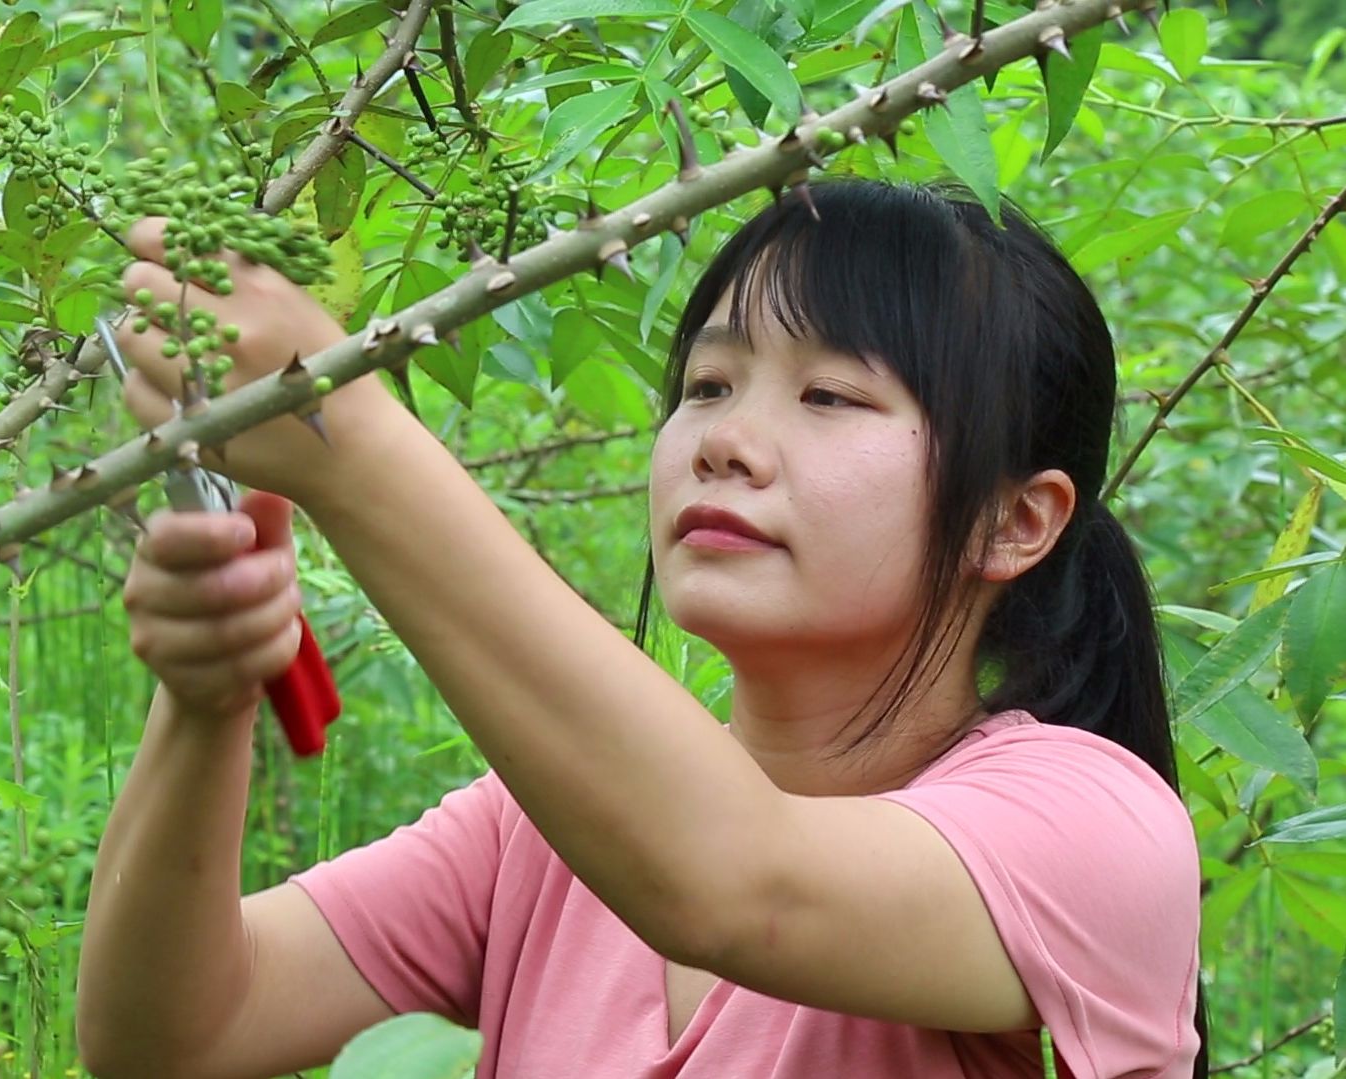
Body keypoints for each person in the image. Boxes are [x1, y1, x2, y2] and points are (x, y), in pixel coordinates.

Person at [75, 179, 1208, 1078]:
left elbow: (734, 884)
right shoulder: (542, 832)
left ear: (1013, 521)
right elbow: (171, 1034)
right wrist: (208, 696)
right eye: (708, 385)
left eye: (827, 397)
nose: (725, 440)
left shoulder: (1094, 829)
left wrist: (352, 441)